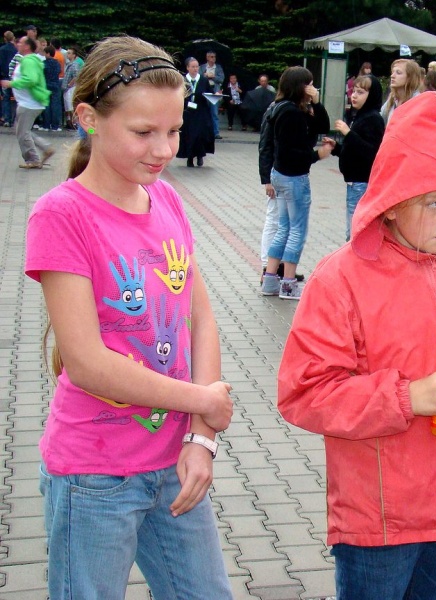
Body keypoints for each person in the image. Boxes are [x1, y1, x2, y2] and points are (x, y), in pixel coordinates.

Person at [277, 91, 436, 600]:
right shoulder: (341, 279)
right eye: (434, 203)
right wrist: (408, 397)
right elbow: (304, 392)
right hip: (381, 524)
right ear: (391, 203)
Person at [23, 35, 234, 600]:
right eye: (143, 132)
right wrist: (203, 401)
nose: (163, 149)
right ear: (89, 118)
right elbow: (88, 364)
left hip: (172, 462)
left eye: (173, 130)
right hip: (94, 476)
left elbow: (200, 320)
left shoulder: (165, 199)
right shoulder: (61, 215)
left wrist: (202, 438)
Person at [259, 66, 332, 300]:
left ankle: (270, 280)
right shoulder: (291, 113)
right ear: (300, 86)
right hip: (293, 177)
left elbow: (322, 126)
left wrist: (317, 103)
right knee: (296, 230)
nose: (312, 89)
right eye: (309, 84)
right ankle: (288, 284)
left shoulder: (282, 108)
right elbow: (293, 152)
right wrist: (318, 155)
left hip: (280, 175)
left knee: (284, 228)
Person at [331, 74, 385, 241]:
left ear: (372, 95)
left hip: (362, 182)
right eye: (354, 91)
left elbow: (371, 152)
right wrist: (336, 148)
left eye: (360, 92)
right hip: (354, 182)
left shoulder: (373, 118)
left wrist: (348, 134)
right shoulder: (360, 116)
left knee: (355, 232)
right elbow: (353, 151)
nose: (354, 95)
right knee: (353, 230)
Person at [1, 36, 53, 169]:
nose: (17, 44)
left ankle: (34, 159)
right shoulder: (28, 60)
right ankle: (45, 148)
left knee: (22, 133)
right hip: (28, 102)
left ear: (27, 46)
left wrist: (11, 83)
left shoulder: (29, 61)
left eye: (20, 42)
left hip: (29, 103)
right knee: (21, 131)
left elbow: (31, 79)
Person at [176, 57, 215, 168]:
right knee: (189, 134)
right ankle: (189, 157)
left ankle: (200, 155)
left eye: (197, 66)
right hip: (187, 112)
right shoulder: (183, 80)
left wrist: (214, 94)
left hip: (201, 111)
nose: (195, 69)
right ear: (187, 68)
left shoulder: (203, 80)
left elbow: (210, 93)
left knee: (200, 134)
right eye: (193, 67)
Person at [381, 58, 422, 123]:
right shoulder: (392, 99)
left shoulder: (418, 101)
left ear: (410, 77)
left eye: (398, 73)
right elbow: (380, 121)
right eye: (392, 72)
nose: (392, 76)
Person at [200, 51, 224, 138]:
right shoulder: (202, 67)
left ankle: (216, 132)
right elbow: (199, 77)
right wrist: (205, 76)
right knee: (204, 112)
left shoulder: (218, 68)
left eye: (214, 57)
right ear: (207, 58)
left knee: (214, 112)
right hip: (205, 91)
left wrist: (213, 77)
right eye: (211, 57)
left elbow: (221, 79)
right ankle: (204, 132)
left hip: (215, 91)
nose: (213, 58)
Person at [42, 45, 62, 131]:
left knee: (46, 105)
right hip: (56, 85)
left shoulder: (44, 63)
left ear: (48, 53)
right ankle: (55, 126)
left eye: (45, 53)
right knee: (55, 105)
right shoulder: (57, 63)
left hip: (46, 85)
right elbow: (59, 71)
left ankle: (46, 125)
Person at [62, 47, 82, 130]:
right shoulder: (69, 64)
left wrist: (70, 84)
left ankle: (74, 123)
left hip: (71, 88)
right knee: (67, 106)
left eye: (69, 53)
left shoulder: (75, 64)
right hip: (67, 88)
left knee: (71, 106)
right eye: (67, 53)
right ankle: (69, 122)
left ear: (74, 55)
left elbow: (76, 76)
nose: (67, 54)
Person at [0, 31, 16, 127]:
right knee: (17, 98)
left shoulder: (2, 49)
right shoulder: (16, 49)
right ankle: (16, 120)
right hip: (15, 77)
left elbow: (1, 64)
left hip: (5, 77)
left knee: (6, 98)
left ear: (5, 38)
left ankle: (7, 119)